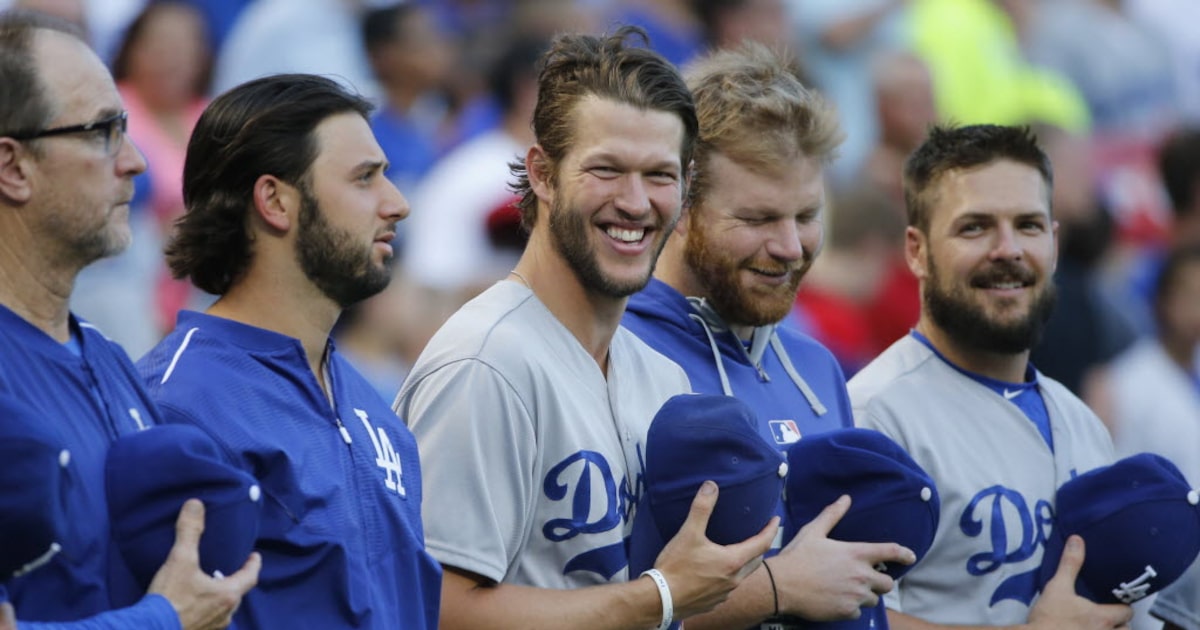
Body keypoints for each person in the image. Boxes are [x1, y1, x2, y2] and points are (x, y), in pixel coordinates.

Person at [394, 26, 777, 630]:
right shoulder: (485, 365)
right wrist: (658, 598)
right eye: (606, 169)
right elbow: (436, 608)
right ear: (543, 174)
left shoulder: (660, 373)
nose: (634, 201)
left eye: (659, 175)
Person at [622, 42, 915, 629]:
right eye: (757, 219)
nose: (789, 247)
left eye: (806, 217)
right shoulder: (615, 354)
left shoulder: (814, 366)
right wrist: (776, 589)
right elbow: (589, 601)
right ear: (677, 204)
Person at [136, 73, 440, 629]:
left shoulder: (376, 411)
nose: (397, 204)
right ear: (275, 200)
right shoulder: (179, 406)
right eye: (365, 178)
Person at [0, 9, 259, 628]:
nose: (136, 162)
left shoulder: (110, 360)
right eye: (101, 131)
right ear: (13, 167)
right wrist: (167, 619)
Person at [847, 123, 1134, 629]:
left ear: (1054, 243)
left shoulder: (1081, 421)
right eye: (975, 227)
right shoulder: (875, 418)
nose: (1008, 250)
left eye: (1028, 225)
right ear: (917, 250)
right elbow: (846, 623)